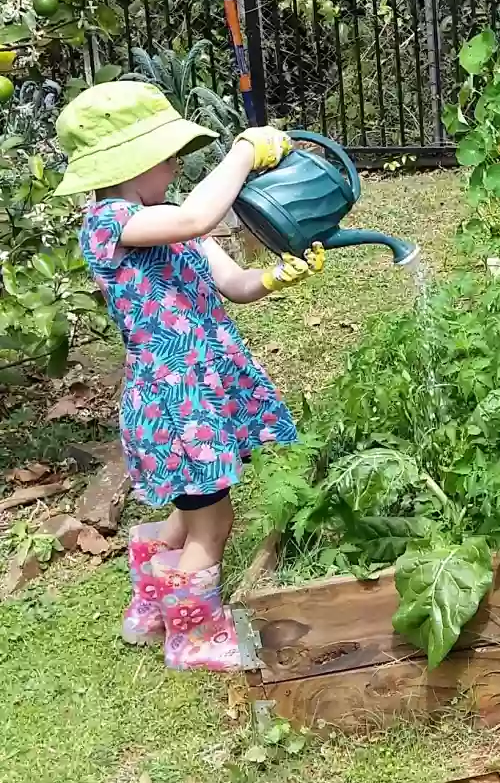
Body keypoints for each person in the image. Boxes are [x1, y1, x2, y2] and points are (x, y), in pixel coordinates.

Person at [54, 82, 324, 671]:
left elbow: (235, 286)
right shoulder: (110, 223)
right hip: (176, 399)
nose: (177, 165)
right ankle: (196, 638)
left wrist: (279, 277)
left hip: (204, 388)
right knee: (215, 519)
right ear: (134, 163)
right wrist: (244, 153)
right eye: (171, 155)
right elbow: (197, 213)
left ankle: (151, 610)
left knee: (193, 504)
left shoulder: (174, 226)